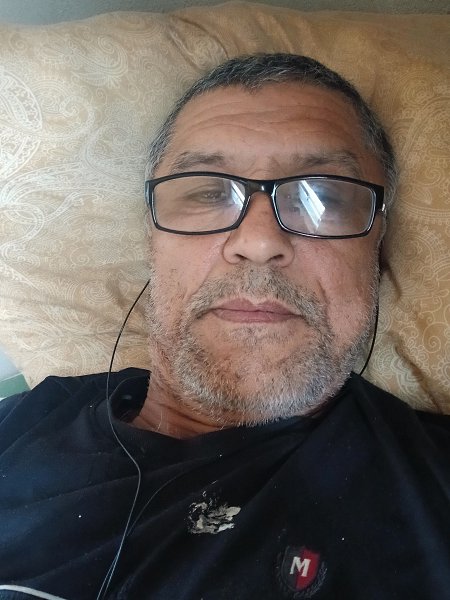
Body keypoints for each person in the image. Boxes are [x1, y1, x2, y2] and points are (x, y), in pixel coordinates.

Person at [0, 54, 448, 600]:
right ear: (152, 240)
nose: (258, 242)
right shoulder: (18, 424)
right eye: (208, 193)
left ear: (378, 243)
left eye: (324, 194)